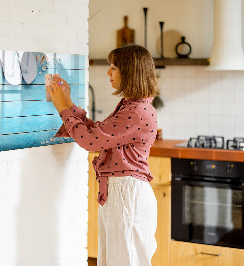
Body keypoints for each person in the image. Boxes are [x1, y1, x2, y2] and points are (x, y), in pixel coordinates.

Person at [47, 44, 159, 266]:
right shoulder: (132, 106)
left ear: (130, 72)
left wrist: (62, 108)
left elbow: (90, 141)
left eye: (114, 67)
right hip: (122, 193)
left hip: (127, 195)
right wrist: (68, 103)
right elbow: (98, 133)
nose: (108, 72)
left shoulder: (136, 111)